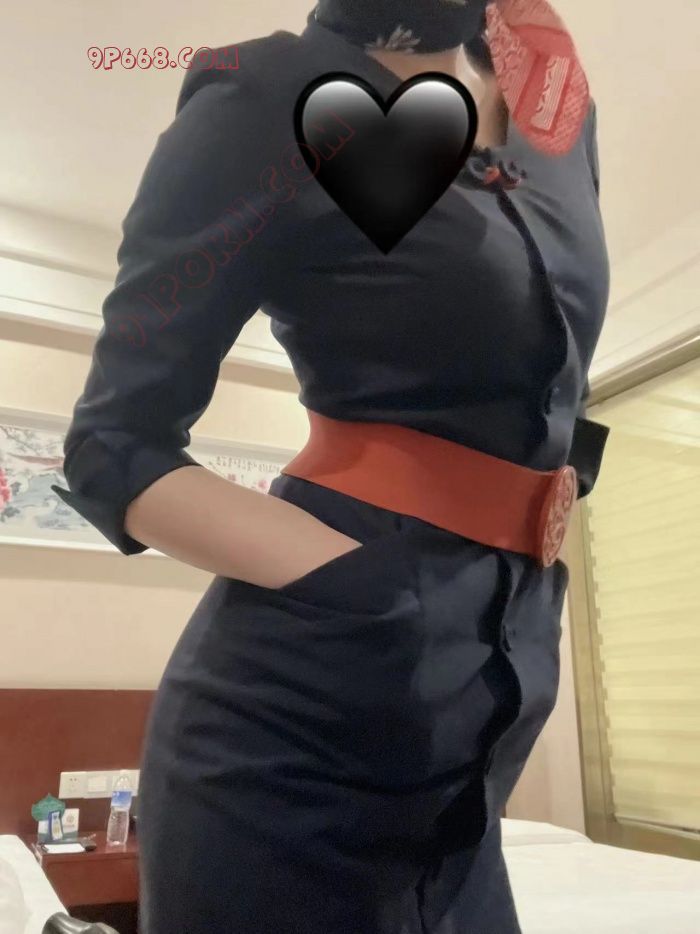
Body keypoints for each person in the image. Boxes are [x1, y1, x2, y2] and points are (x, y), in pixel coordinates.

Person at [52, 1, 611, 931]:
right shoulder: (262, 97)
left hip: (485, 730)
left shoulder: (556, 101)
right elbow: (113, 447)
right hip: (289, 753)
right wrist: (362, 586)